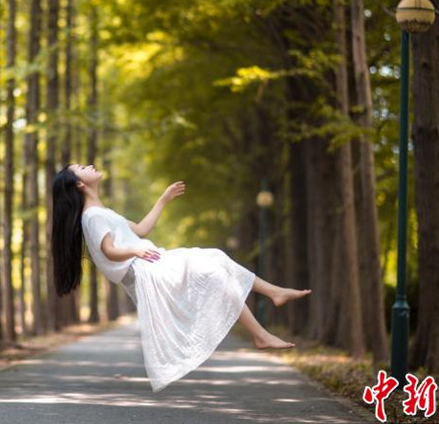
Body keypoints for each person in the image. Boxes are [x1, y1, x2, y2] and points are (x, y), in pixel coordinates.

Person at [51, 163, 312, 393]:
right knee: (216, 271)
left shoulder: (101, 211)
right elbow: (108, 251)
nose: (89, 165)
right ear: (80, 184)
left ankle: (273, 298)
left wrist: (163, 199)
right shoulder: (92, 216)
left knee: (217, 261)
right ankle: (262, 332)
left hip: (150, 262)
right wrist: (135, 250)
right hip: (145, 270)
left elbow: (142, 229)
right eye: (82, 167)